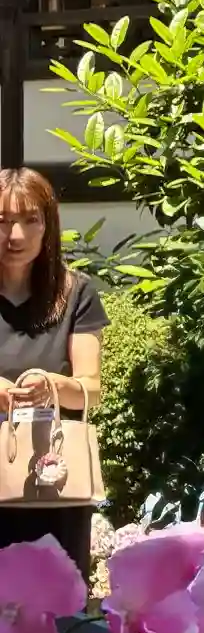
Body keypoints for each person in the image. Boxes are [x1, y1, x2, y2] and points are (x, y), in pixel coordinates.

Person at [0, 167, 108, 574]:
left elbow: (91, 389)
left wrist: (52, 387)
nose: (16, 236)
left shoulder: (76, 293)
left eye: (30, 220)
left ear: (48, 225)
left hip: (52, 477)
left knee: (58, 594)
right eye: (2, 221)